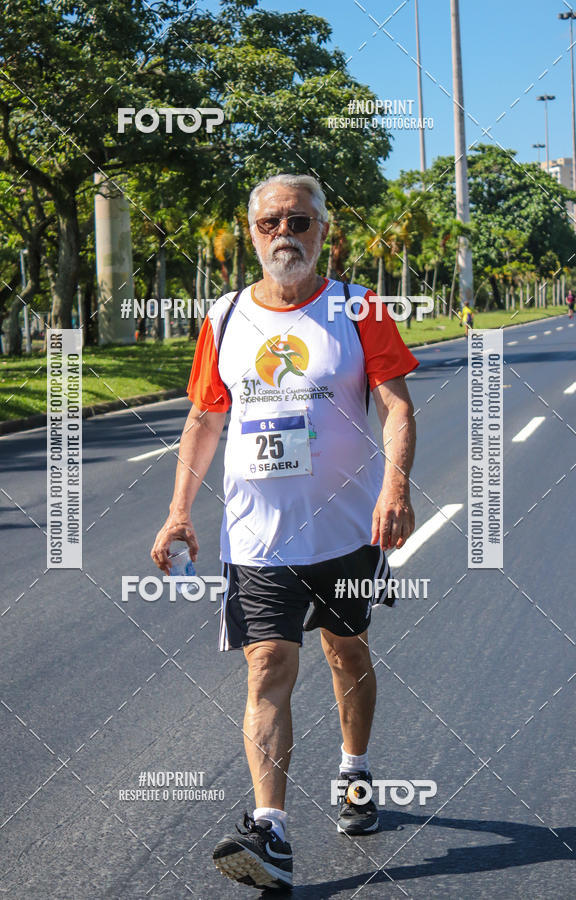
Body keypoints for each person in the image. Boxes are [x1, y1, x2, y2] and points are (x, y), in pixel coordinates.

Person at [151, 173, 419, 891]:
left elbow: (396, 406)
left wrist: (395, 485)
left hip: (347, 530)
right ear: (251, 233)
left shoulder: (358, 307)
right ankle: (270, 829)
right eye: (270, 224)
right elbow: (206, 418)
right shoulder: (226, 315)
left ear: (323, 230)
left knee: (346, 648)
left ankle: (354, 770)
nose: (284, 236)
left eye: (299, 222)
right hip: (258, 538)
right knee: (268, 664)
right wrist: (179, 510)